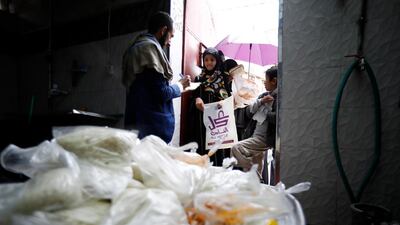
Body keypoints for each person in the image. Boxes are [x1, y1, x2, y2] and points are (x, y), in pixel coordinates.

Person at [122, 11, 190, 143]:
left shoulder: (135, 47)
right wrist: (180, 86)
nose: (169, 42)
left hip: (137, 124)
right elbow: (161, 93)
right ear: (163, 30)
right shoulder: (149, 49)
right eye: (171, 36)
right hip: (150, 129)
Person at [187, 47, 232, 166]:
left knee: (216, 148)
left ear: (217, 61)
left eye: (212, 59)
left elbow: (229, 99)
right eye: (206, 60)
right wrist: (196, 99)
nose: (209, 62)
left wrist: (222, 103)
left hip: (217, 121)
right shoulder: (198, 78)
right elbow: (193, 96)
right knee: (202, 146)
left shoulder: (223, 79)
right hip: (201, 121)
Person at [230, 66, 278, 173]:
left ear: (274, 81)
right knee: (257, 169)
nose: (264, 82)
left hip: (265, 138)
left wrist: (265, 113)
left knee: (235, 148)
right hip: (255, 134)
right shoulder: (264, 95)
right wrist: (261, 101)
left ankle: (253, 170)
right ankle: (256, 177)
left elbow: (278, 118)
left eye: (266, 79)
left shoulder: (280, 97)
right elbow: (250, 111)